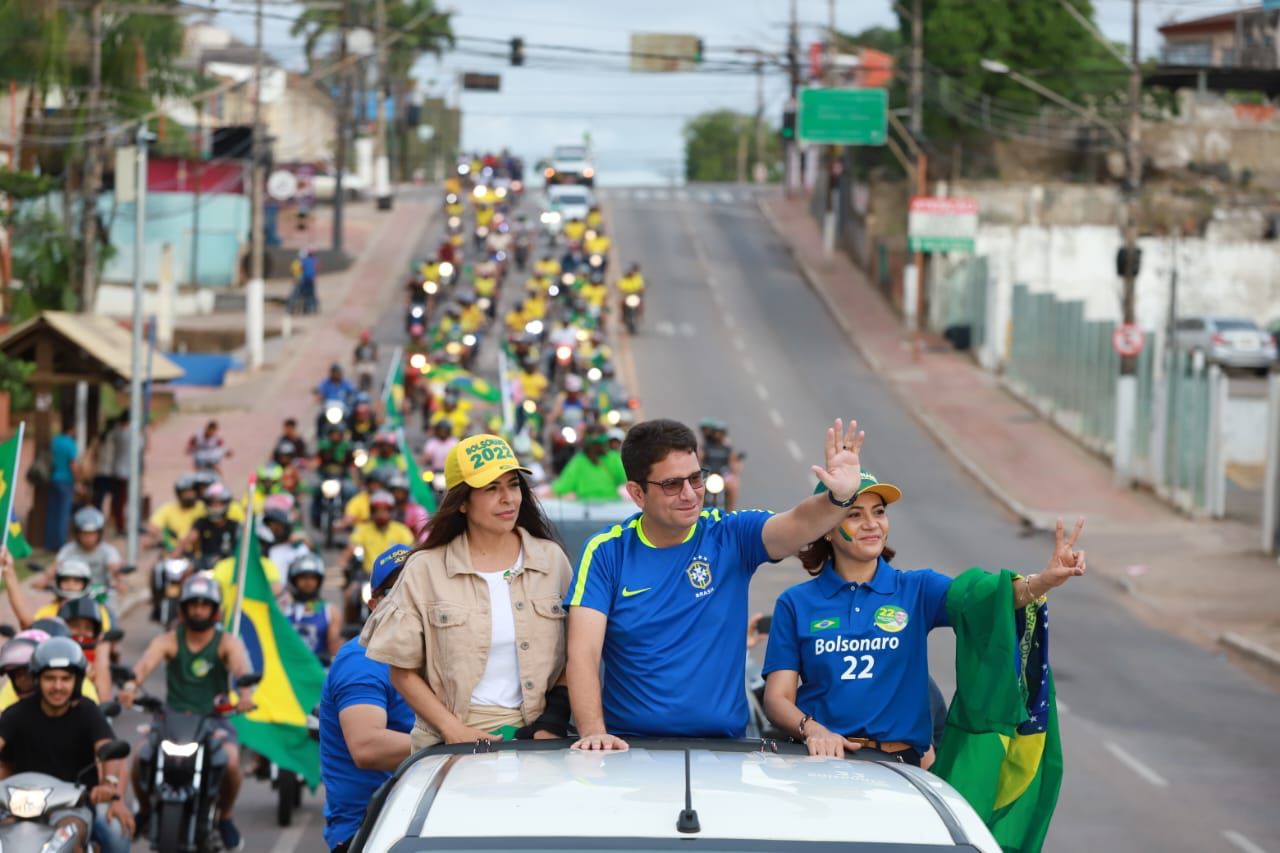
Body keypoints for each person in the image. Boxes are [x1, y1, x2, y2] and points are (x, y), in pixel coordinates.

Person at [564, 418, 868, 749]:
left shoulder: (730, 534)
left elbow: (796, 524)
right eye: (671, 484)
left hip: (724, 750)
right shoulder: (607, 551)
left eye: (695, 479)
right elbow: (583, 653)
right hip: (631, 749)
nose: (689, 494)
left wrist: (839, 498)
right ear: (638, 493)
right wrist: (594, 732)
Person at [761, 477, 1086, 767]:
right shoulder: (796, 603)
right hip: (820, 763)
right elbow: (777, 699)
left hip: (898, 766)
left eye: (879, 512)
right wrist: (814, 730)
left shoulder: (917, 588)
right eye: (855, 514)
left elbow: (983, 596)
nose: (872, 524)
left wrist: (1043, 581)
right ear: (827, 529)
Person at [361, 434, 573, 749]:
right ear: (461, 502)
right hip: (452, 745)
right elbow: (402, 671)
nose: (508, 498)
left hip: (539, 742)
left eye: (513, 485)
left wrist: (550, 725)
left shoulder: (551, 560)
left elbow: (577, 654)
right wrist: (453, 730)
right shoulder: (425, 569)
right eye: (491, 488)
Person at [120, 575, 256, 850]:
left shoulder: (225, 642)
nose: (198, 610)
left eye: (204, 605)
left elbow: (242, 669)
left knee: (231, 763)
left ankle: (225, 818)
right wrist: (131, 686)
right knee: (139, 756)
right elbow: (146, 663)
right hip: (171, 717)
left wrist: (244, 696)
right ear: (182, 608)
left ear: (214, 609)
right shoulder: (169, 640)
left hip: (213, 718)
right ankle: (145, 812)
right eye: (192, 604)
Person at [319, 546, 415, 853]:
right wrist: (459, 742)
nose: (408, 599)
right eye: (394, 590)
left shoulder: (434, 655)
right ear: (374, 604)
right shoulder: (363, 658)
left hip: (421, 817)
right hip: (369, 830)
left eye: (417, 586)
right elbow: (367, 747)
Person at [0, 636, 135, 853]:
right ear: (37, 680)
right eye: (50, 678)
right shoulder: (16, 713)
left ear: (77, 681)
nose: (58, 686)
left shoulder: (88, 711)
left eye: (65, 678)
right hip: (18, 806)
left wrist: (108, 784)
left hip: (72, 806)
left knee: (79, 836)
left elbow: (107, 748)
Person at [48, 506, 124, 604]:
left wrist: (118, 578)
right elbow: (54, 568)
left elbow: (115, 568)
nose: (88, 538)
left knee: (110, 615)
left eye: (92, 534)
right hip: (72, 595)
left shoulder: (108, 551)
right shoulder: (68, 550)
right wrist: (45, 578)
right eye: (85, 534)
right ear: (78, 534)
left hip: (100, 597)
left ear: (99, 534)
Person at [283, 553, 342, 663]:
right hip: (287, 669)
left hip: (318, 670)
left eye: (312, 578)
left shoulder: (330, 611)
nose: (308, 582)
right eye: (303, 577)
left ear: (318, 581)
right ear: (294, 580)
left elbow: (333, 646)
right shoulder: (283, 609)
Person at [58, 595, 116, 701]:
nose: (81, 632)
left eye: (88, 627)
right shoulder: (55, 652)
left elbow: (104, 696)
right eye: (75, 625)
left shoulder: (98, 653)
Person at [341, 491, 413, 575]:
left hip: (395, 577)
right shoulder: (363, 529)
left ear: (391, 511)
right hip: (368, 576)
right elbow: (351, 547)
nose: (381, 514)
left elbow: (410, 550)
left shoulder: (401, 530)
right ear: (372, 512)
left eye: (385, 510)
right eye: (377, 511)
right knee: (351, 587)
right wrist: (343, 563)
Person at [177, 482, 241, 571]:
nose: (215, 507)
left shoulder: (235, 526)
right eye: (212, 503)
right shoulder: (201, 522)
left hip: (229, 566)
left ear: (226, 504)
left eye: (219, 504)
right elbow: (189, 539)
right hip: (206, 565)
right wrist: (175, 554)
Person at [550, 433, 627, 502]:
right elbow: (624, 478)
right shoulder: (613, 457)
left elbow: (564, 486)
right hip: (612, 504)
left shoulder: (579, 460)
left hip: (586, 507)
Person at [45, 416, 79, 552]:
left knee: (52, 512)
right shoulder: (70, 444)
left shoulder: (55, 441)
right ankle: (60, 544)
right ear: (72, 429)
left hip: (53, 479)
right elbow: (73, 465)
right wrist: (78, 481)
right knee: (63, 513)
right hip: (65, 481)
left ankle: (49, 542)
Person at [147, 473, 205, 549]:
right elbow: (154, 526)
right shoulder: (168, 509)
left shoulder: (203, 508)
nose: (189, 495)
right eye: (185, 492)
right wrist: (155, 534)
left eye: (192, 492)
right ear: (179, 493)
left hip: (197, 553)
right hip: (172, 551)